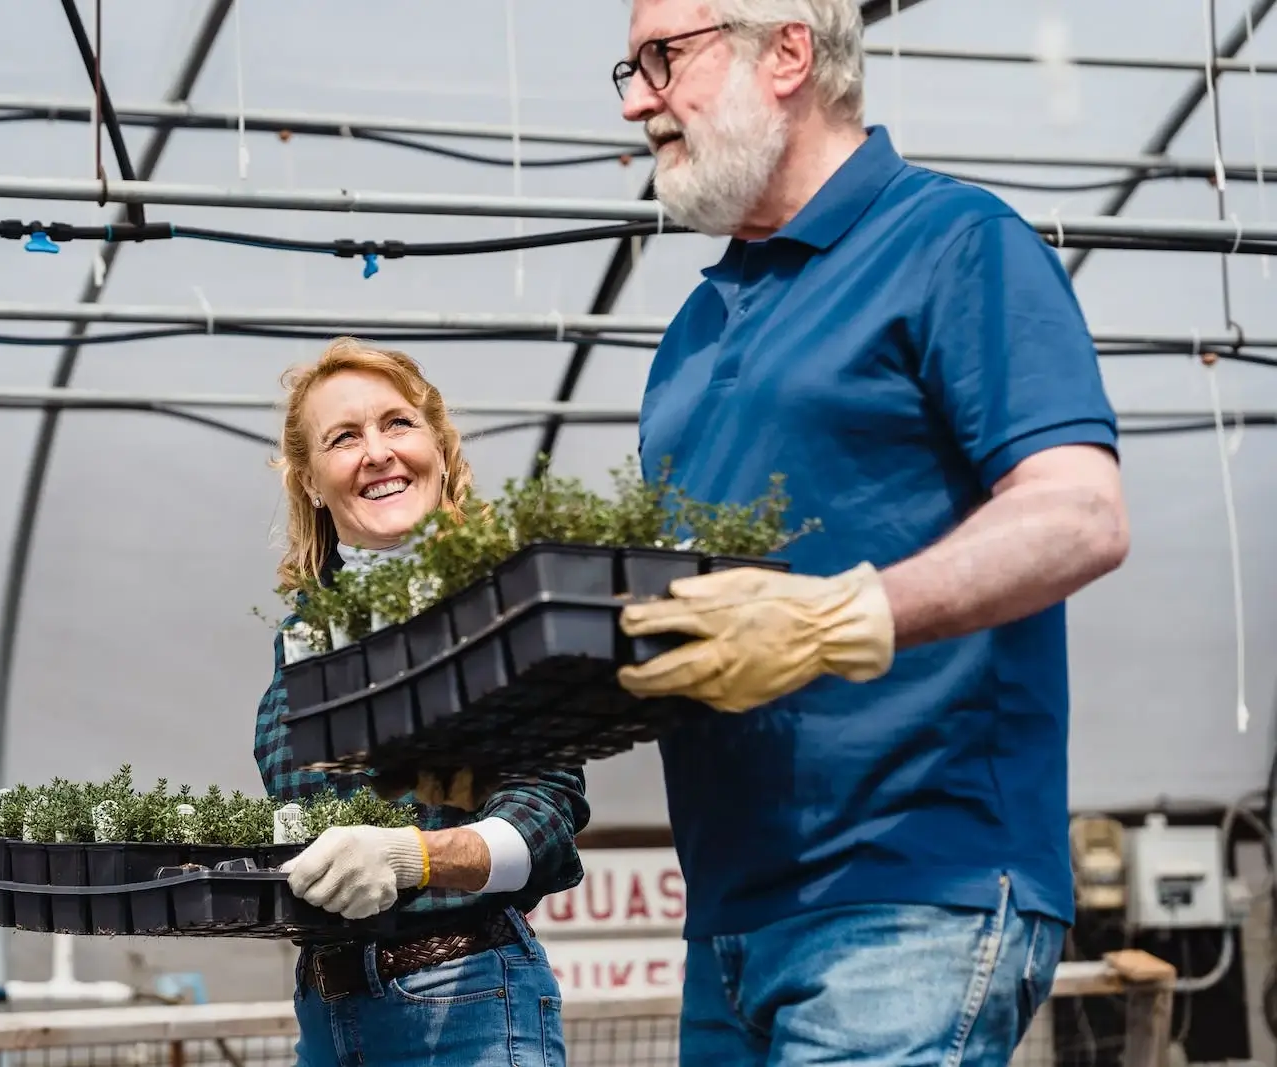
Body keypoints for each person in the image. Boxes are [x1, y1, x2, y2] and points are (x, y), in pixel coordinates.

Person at [609, 2, 1130, 1065]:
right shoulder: (695, 329)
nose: (635, 100)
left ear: (788, 51)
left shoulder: (950, 240)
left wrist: (843, 616)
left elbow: (1080, 509)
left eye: (664, 58)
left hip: (910, 886)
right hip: (728, 918)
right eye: (628, 67)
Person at [253, 336, 590, 1067]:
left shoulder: (505, 612)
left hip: (464, 1001)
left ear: (439, 448)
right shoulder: (305, 636)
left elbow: (545, 820)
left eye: (397, 423)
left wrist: (414, 857)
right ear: (311, 480)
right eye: (344, 437)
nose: (376, 451)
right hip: (326, 1014)